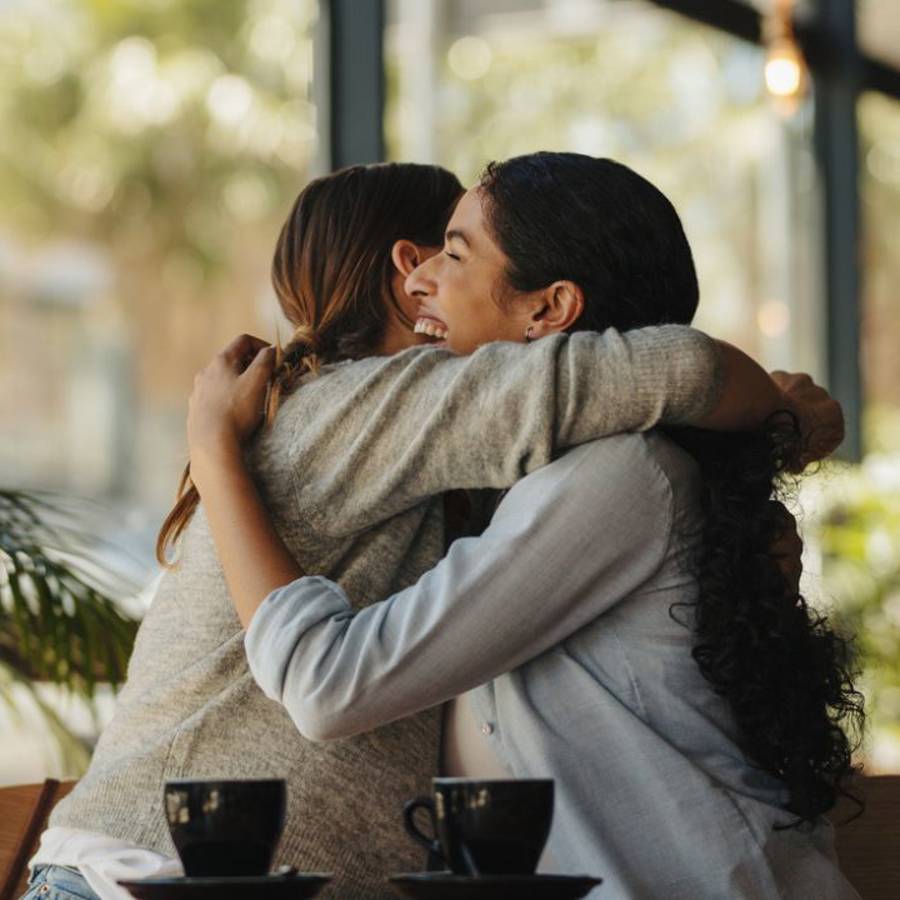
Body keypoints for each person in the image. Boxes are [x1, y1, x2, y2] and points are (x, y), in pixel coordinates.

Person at [27, 160, 825, 900]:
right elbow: (679, 370)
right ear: (399, 264)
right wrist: (783, 415)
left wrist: (766, 444)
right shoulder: (363, 404)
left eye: (456, 255)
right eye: (436, 251)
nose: (426, 281)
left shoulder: (533, 474)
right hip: (150, 874)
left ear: (547, 304)